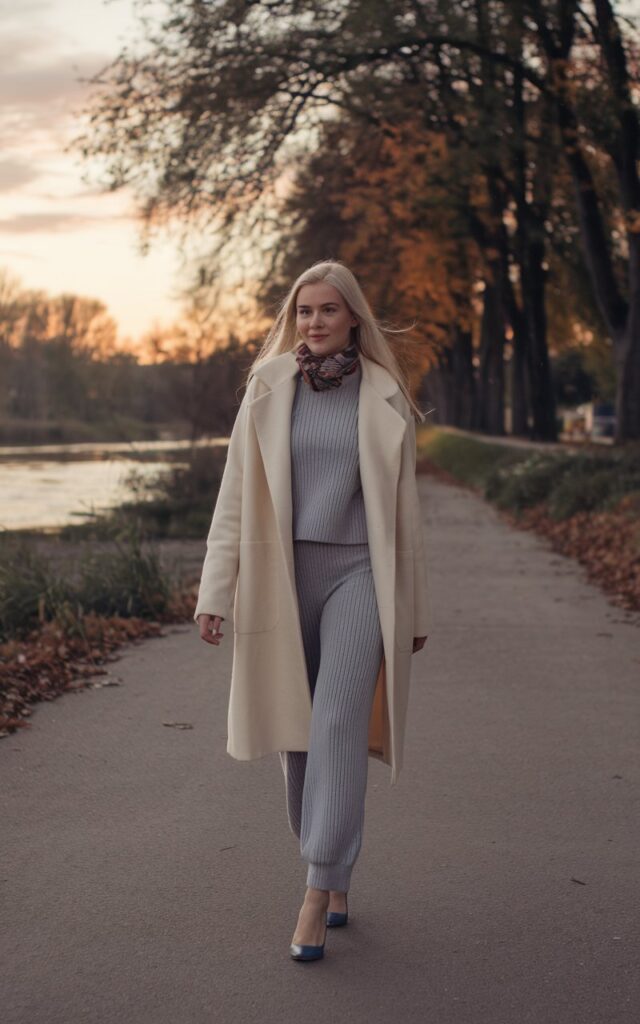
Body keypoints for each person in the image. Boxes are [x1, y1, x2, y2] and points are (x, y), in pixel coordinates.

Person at [194, 260, 429, 962]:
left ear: (354, 316)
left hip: (360, 573)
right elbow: (234, 494)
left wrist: (412, 606)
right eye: (305, 311)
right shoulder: (268, 388)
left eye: (329, 310)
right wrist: (214, 589)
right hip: (282, 574)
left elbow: (407, 515)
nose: (316, 322)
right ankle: (333, 867)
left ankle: (315, 885)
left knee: (336, 721)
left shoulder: (384, 396)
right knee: (297, 735)